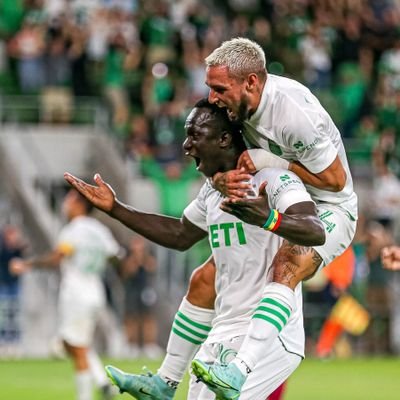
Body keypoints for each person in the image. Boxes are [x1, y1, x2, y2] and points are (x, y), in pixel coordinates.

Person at [64, 99, 325, 399]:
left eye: (195, 135)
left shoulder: (274, 180)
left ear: (224, 139)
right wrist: (116, 209)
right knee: (202, 278)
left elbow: (314, 229)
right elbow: (180, 234)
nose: (187, 146)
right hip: (223, 331)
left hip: (268, 337)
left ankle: (167, 382)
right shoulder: (211, 192)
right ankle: (165, 382)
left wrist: (267, 218)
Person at [9, 188, 121, 400]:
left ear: (79, 204)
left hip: (76, 292)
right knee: (79, 343)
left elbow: (57, 258)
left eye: (69, 200)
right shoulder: (99, 229)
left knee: (75, 346)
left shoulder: (73, 230)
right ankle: (102, 381)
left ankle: (85, 396)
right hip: (95, 291)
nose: (65, 205)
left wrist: (27, 264)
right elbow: (115, 256)